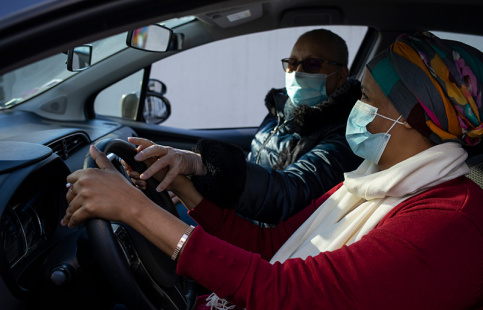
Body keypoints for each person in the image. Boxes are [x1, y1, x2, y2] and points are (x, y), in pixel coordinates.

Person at [62, 32, 483, 310]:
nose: (356, 105)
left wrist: (137, 212)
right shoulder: (373, 179)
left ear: (411, 117)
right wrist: (186, 190)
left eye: (366, 97)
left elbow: (291, 296)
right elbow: (271, 245)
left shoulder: (452, 222)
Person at [127, 28, 362, 225]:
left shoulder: (346, 135)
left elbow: (290, 193)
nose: (297, 72)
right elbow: (254, 165)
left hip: (266, 241)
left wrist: (202, 165)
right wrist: (191, 184)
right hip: (240, 212)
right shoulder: (280, 109)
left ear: (341, 76)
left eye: (312, 64)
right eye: (292, 63)